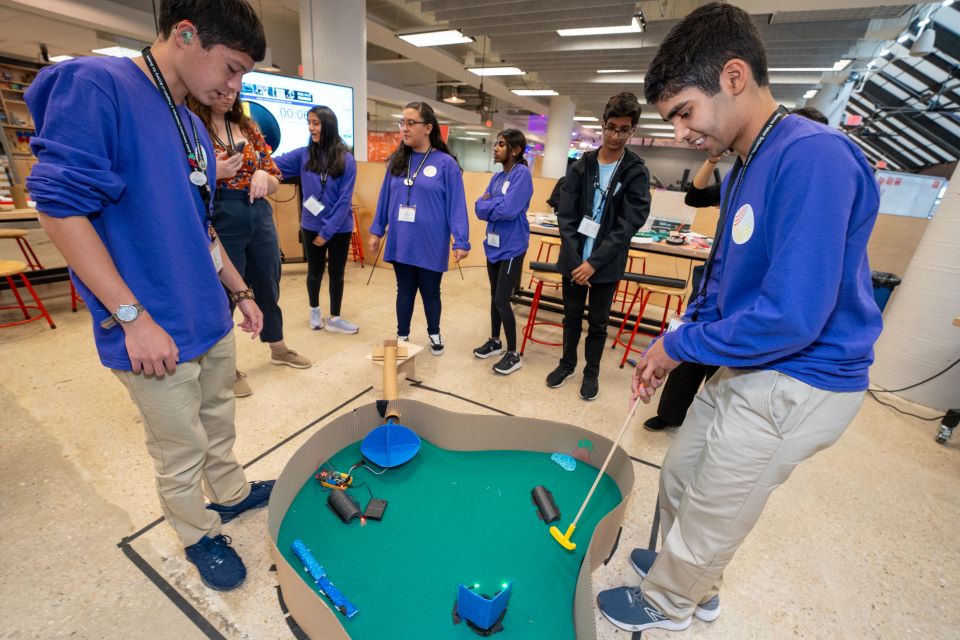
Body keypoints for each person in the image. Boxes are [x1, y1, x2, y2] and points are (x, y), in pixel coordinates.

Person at [596, 3, 883, 633]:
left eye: (683, 114)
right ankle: (690, 575)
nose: (678, 134)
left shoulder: (813, 156)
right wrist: (673, 339)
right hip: (747, 361)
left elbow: (792, 316)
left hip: (799, 376)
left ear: (732, 77)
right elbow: (726, 278)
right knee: (681, 473)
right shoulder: (747, 160)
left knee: (714, 509)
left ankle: (673, 601)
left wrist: (684, 346)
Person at [26, 0, 276, 592]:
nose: (234, 86)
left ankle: (232, 492)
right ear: (186, 35)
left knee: (218, 418)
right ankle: (195, 533)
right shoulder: (97, 84)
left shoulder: (189, 123)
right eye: (233, 68)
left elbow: (200, 224)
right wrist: (131, 317)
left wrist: (238, 291)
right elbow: (60, 208)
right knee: (178, 446)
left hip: (206, 313)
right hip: (150, 326)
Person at [644, 105, 828, 431]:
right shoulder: (743, 173)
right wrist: (714, 155)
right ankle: (673, 414)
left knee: (721, 369)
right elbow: (697, 198)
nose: (682, 132)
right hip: (715, 293)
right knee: (690, 358)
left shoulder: (811, 174)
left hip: (748, 310)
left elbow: (791, 311)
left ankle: (709, 418)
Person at [188, 91, 311, 398]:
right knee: (227, 292)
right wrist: (214, 173)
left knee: (268, 283)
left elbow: (275, 175)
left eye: (234, 91)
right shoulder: (191, 129)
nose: (228, 95)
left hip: (258, 211)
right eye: (221, 89)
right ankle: (225, 367)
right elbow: (179, 178)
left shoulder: (250, 127)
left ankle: (278, 346)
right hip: (220, 213)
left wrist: (261, 175)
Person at [546, 92, 651, 400]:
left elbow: (629, 224)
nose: (616, 135)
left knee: (598, 323)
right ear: (602, 124)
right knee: (571, 317)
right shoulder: (582, 166)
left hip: (605, 264)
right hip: (574, 260)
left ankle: (591, 373)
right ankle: (567, 364)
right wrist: (579, 259)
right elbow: (566, 215)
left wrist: (595, 262)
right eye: (611, 127)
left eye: (624, 129)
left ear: (632, 131)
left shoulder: (635, 170)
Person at [368, 101, 470, 355]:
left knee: (430, 292)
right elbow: (384, 199)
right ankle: (402, 334)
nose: (404, 128)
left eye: (411, 122)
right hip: (402, 239)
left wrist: (461, 240)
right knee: (404, 290)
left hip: (431, 241)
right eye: (402, 122)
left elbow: (456, 205)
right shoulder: (397, 162)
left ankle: (434, 333)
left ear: (427, 127)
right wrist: (376, 230)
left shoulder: (446, 163)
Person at [274, 106, 359, 336]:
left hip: (339, 228)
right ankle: (314, 311)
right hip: (311, 226)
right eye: (309, 123)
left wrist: (328, 231)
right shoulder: (304, 154)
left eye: (316, 123)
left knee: (337, 273)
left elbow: (344, 202)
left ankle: (335, 318)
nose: (311, 128)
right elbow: (275, 163)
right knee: (315, 271)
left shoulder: (347, 159)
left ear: (328, 126)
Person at [472, 129, 532, 375]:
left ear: (515, 150)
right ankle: (495, 341)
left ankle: (513, 353)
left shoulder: (522, 175)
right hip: (493, 245)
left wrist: (491, 204)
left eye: (501, 144)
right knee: (494, 296)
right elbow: (478, 207)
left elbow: (508, 210)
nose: (495, 148)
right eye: (496, 144)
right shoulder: (497, 178)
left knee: (501, 299)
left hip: (512, 247)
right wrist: (493, 204)